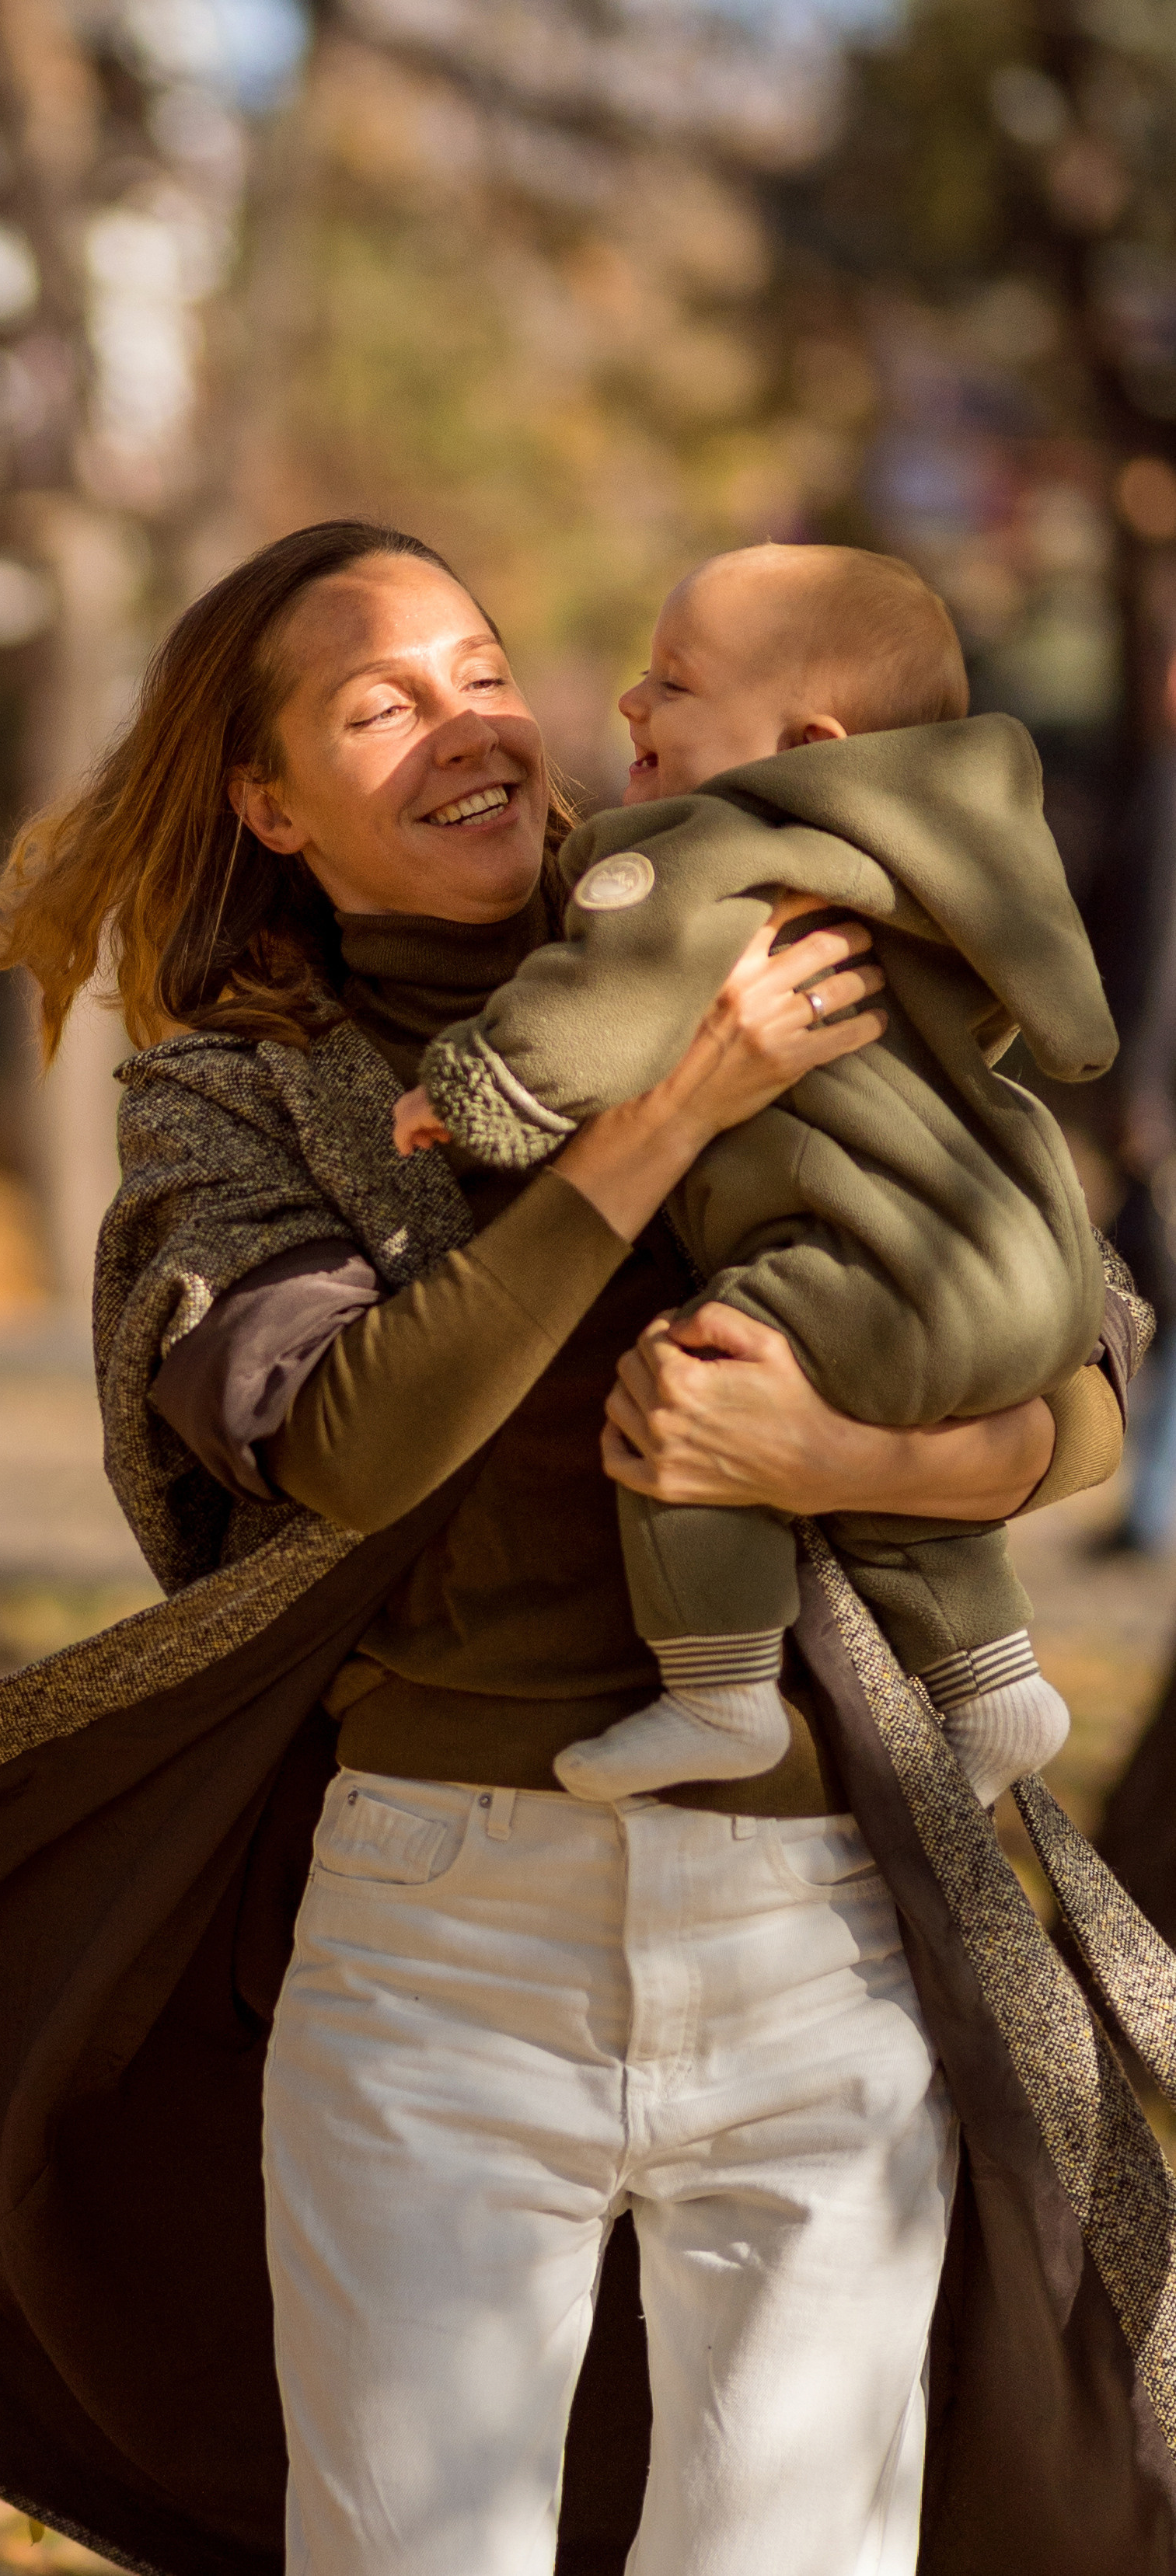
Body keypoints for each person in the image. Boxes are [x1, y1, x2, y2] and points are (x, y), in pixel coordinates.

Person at [0, 521, 1168, 2576]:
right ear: (270, 805)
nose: (469, 724)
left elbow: (1076, 1343)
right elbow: (348, 1444)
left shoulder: (757, 913)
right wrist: (663, 1114)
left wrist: (858, 1451)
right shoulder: (237, 1102)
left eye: (481, 668)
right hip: (444, 1947)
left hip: (818, 1926)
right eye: (379, 705)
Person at [393, 543, 1111, 1814]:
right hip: (1033, 1266)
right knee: (881, 1409)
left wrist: (473, 1092)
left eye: (672, 684)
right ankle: (995, 1683)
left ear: (803, 742)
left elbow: (605, 1004)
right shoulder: (947, 858)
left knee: (696, 1380)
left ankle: (716, 1688)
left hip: (875, 1259)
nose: (632, 702)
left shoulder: (716, 844)